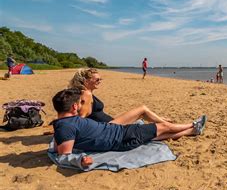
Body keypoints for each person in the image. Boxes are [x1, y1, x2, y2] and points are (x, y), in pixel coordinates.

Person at [51, 88, 206, 167]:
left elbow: (60, 144)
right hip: (122, 137)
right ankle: (193, 124)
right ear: (74, 106)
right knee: (163, 126)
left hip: (117, 132)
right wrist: (81, 160)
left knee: (156, 134)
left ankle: (191, 131)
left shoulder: (64, 123)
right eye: (79, 103)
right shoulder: (66, 127)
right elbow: (64, 156)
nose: (80, 106)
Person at [69, 68, 171, 124]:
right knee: (142, 109)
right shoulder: (86, 94)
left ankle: (160, 120)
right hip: (109, 126)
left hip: (111, 121)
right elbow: (80, 118)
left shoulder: (86, 93)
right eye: (97, 80)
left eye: (101, 79)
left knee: (140, 114)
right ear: (86, 81)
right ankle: (165, 123)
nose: (100, 81)